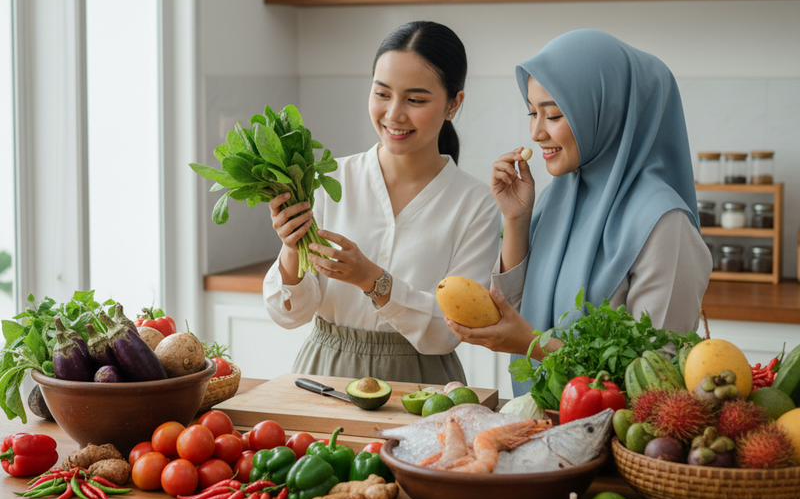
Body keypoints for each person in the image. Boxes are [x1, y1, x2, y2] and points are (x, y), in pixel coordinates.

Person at [444, 29, 712, 396]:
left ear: (607, 112)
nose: (536, 132)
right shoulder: (560, 197)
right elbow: (520, 312)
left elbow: (653, 380)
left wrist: (531, 345)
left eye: (552, 115)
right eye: (532, 112)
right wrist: (516, 220)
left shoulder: (665, 224)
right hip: (540, 431)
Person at [262, 21, 501, 385]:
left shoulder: (475, 204)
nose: (394, 114)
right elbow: (288, 315)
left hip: (422, 386)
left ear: (454, 104)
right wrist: (292, 248)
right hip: (325, 376)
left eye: (416, 100)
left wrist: (373, 280)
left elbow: (450, 330)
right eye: (382, 93)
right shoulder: (328, 180)